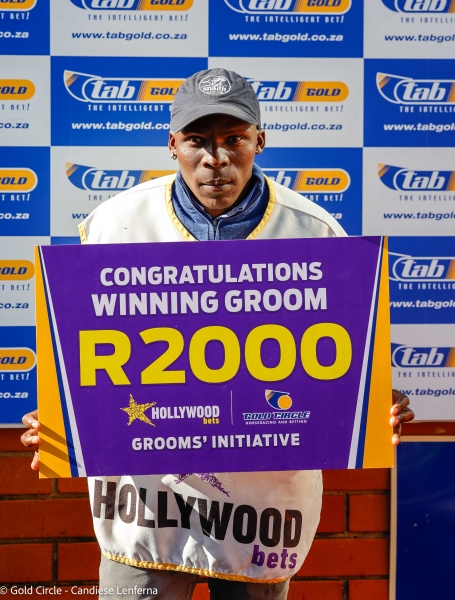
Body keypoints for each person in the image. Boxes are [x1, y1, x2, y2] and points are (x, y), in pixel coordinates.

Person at [21, 68, 414, 600]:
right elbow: (83, 352)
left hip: (261, 503)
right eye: (196, 141)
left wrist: (372, 401)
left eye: (234, 138)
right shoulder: (114, 224)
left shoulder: (315, 231)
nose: (215, 158)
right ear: (172, 145)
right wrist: (59, 413)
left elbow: (342, 363)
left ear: (260, 141)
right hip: (148, 501)